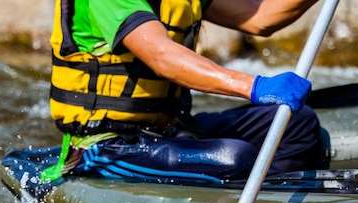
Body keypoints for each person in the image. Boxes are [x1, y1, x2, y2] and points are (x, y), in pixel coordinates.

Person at [41, 0, 327, 184]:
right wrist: (255, 86)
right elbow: (161, 56)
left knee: (297, 123)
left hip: (167, 132)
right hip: (105, 147)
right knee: (235, 157)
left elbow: (261, 18)